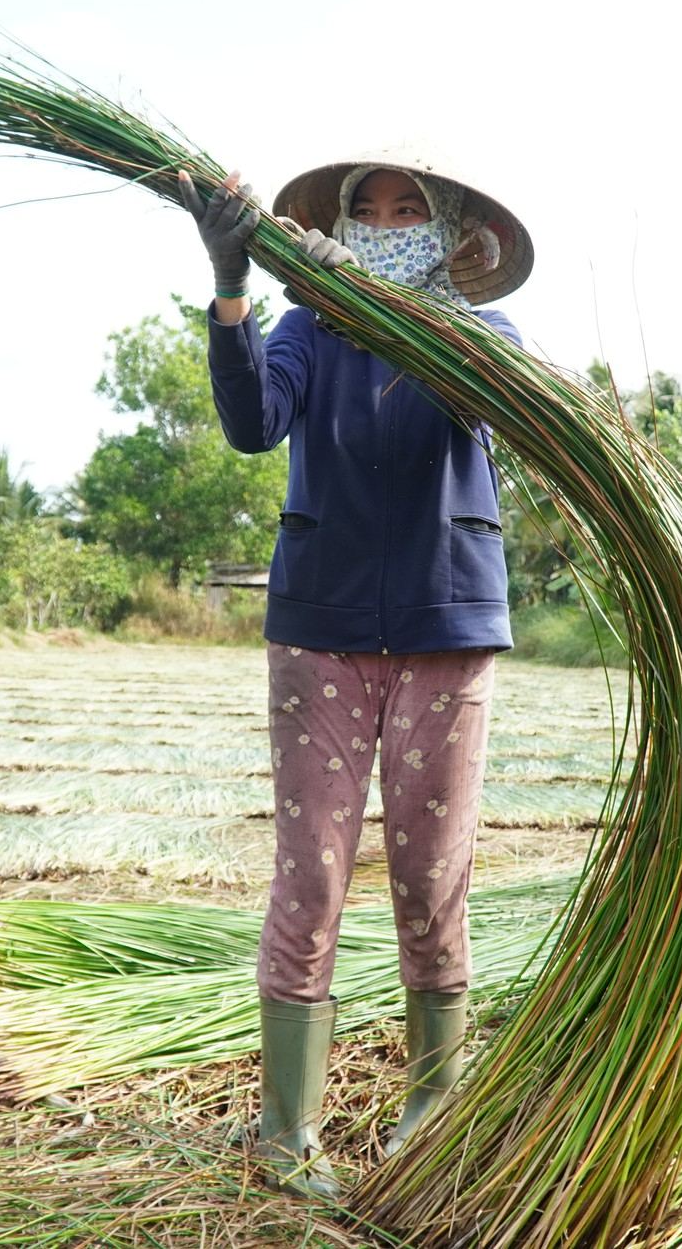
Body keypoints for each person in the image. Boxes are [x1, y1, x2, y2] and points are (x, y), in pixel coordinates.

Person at [177, 149, 534, 1198]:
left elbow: (513, 409)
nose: (384, 224)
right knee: (313, 872)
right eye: (364, 212)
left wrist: (440, 311)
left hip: (446, 625)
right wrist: (234, 285)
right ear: (334, 227)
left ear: (448, 230)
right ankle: (285, 1133)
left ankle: (432, 1104)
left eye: (407, 210)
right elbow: (251, 427)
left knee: (430, 878)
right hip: (320, 628)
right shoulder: (308, 330)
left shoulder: (485, 335)